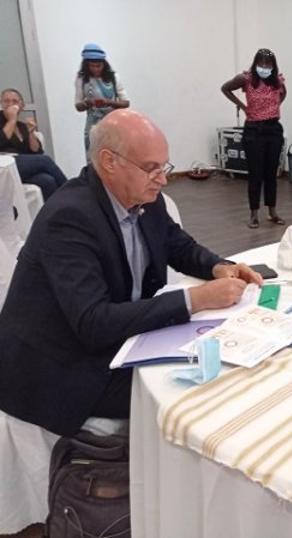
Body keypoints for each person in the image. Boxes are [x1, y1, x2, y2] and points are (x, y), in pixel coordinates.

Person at [0, 109, 263, 436]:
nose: (163, 179)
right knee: (194, 391)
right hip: (59, 367)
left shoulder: (143, 196)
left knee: (216, 366)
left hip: (116, 338)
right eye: (152, 168)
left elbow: (177, 245)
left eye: (164, 167)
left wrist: (219, 266)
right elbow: (93, 322)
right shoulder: (69, 217)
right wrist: (195, 299)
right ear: (109, 161)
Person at [221, 48, 287, 229]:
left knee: (271, 173)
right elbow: (225, 88)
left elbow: (283, 93)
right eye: (261, 63)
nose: (264, 67)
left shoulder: (277, 80)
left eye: (268, 64)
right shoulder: (246, 79)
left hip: (273, 129)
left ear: (273, 66)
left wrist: (274, 107)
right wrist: (242, 106)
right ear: (255, 63)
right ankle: (254, 214)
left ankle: (272, 212)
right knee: (255, 173)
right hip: (254, 130)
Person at [0, 88, 68, 200]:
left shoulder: (22, 126)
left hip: (20, 168)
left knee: (47, 181)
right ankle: (73, 194)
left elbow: (36, 152)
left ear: (22, 106)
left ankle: (59, 210)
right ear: (1, 104)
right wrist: (11, 120)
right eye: (6, 101)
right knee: (45, 160)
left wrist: (30, 132)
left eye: (15, 101)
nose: (10, 104)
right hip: (4, 166)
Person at [75, 43, 129, 155]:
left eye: (98, 66)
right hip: (93, 123)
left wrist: (109, 102)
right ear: (86, 66)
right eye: (92, 66)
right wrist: (87, 103)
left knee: (115, 152)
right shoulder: (82, 79)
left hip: (112, 121)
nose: (96, 69)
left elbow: (126, 103)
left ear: (104, 64)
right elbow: (78, 106)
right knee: (93, 152)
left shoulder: (113, 77)